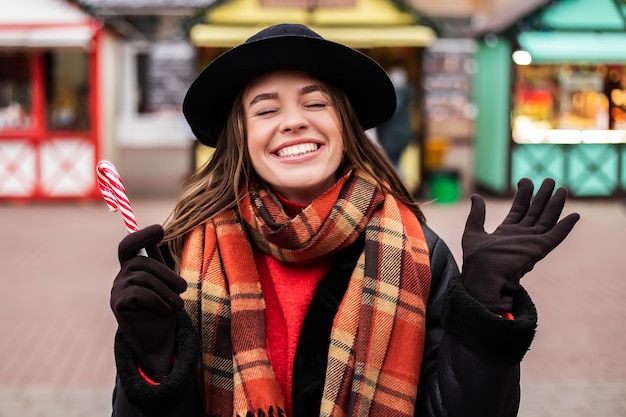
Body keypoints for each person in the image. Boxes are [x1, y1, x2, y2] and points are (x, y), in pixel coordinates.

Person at [109, 23, 580, 417]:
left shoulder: (419, 251)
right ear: (241, 138)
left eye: (315, 103)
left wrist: (483, 309)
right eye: (267, 109)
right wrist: (152, 358)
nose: (293, 121)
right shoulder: (181, 257)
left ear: (345, 126)